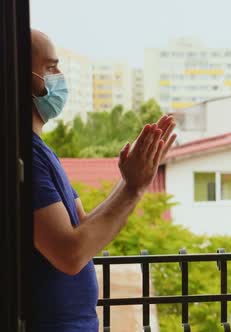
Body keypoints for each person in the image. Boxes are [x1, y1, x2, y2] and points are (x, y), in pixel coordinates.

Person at [30, 29, 177, 331]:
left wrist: (131, 181)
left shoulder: (40, 152)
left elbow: (83, 227)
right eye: (50, 67)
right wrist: (134, 189)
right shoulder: (24, 157)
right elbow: (70, 254)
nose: (60, 76)